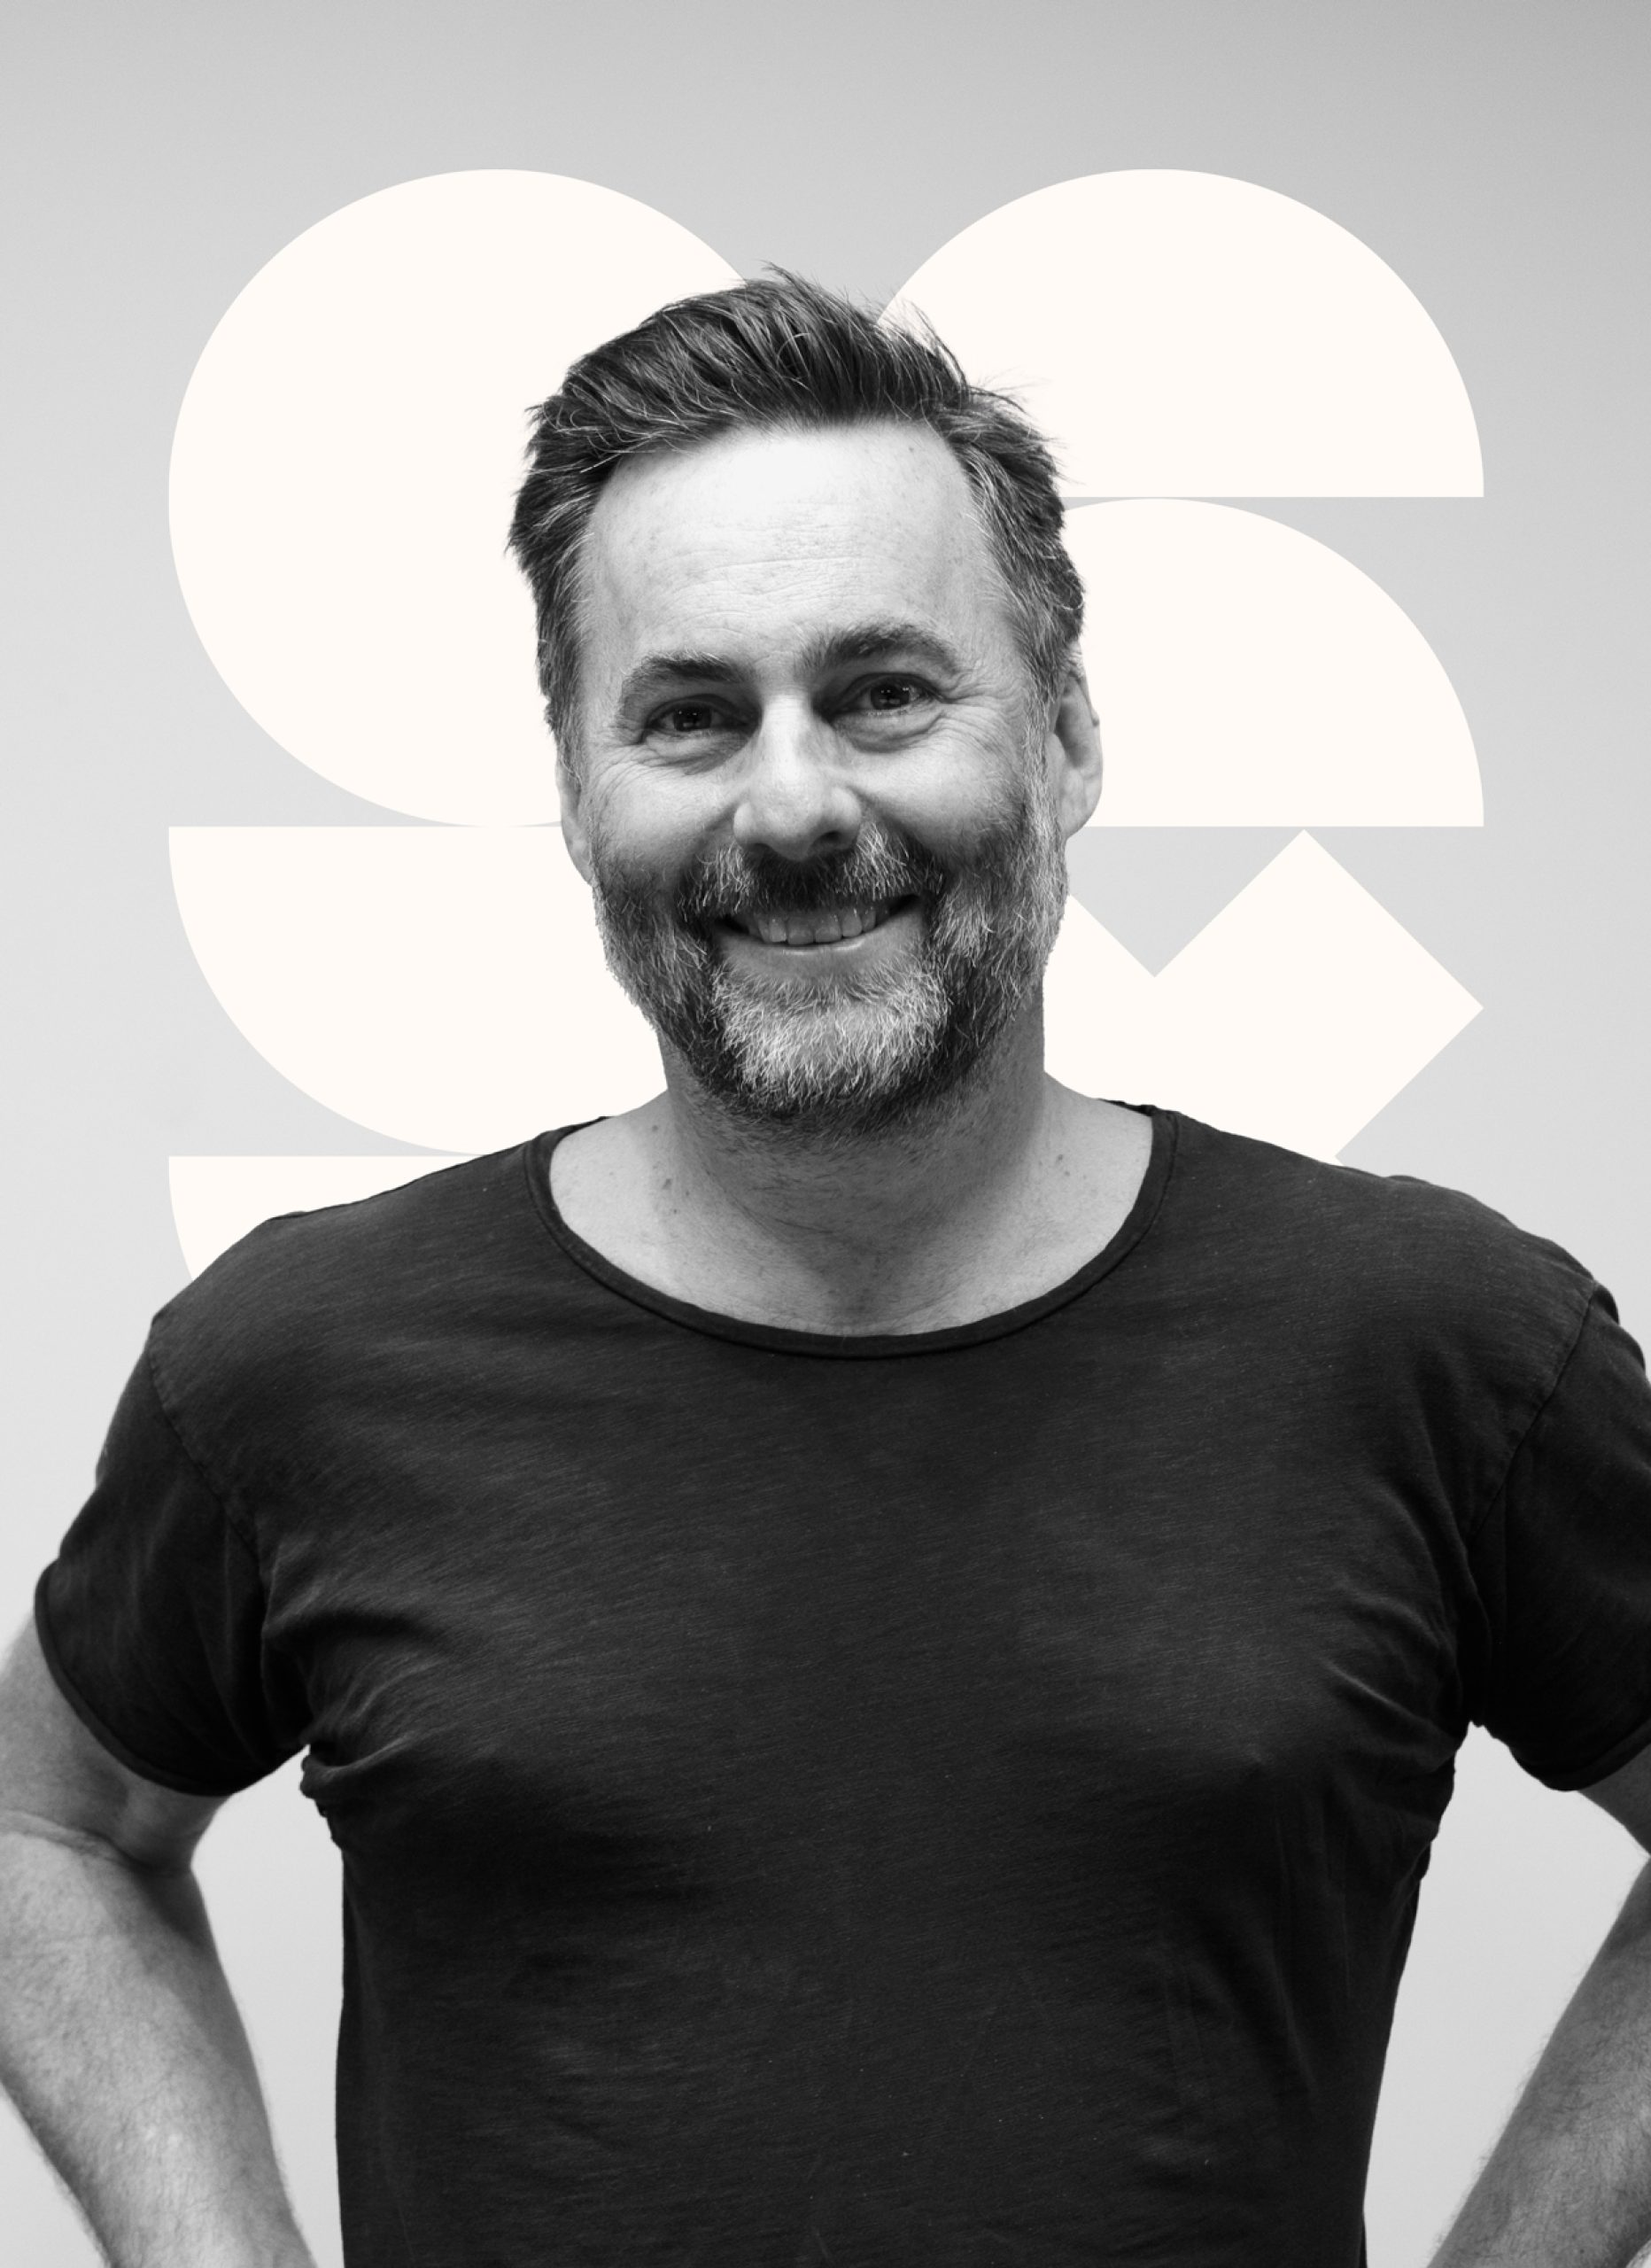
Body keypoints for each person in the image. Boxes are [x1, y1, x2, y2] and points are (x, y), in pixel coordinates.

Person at [2, 274, 1649, 2268]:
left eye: (882, 690)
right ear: (577, 790)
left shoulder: (1430, 1342)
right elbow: (44, 1826)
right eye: (689, 714)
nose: (790, 806)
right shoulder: (301, 1358)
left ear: (1061, 741)